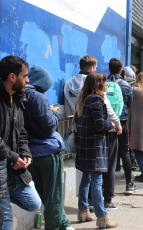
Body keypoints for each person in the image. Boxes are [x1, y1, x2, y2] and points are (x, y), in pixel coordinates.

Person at [23, 65, 74, 230]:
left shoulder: (17, 97)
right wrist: (52, 112)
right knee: (54, 196)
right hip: (48, 153)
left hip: (31, 154)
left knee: (46, 195)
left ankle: (64, 224)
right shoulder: (37, 97)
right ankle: (55, 226)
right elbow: (48, 127)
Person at [0, 56, 41, 229]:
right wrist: (11, 157)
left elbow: (21, 132)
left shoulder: (17, 99)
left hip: (13, 169)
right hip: (3, 165)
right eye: (24, 76)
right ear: (12, 77)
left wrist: (25, 153)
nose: (28, 80)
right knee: (6, 218)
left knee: (34, 203)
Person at [75, 72, 117, 229]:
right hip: (95, 147)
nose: (107, 85)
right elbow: (100, 125)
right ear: (98, 84)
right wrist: (111, 125)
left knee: (85, 179)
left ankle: (83, 211)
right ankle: (102, 217)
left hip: (85, 146)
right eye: (105, 82)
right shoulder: (96, 100)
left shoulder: (84, 100)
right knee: (97, 182)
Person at [108, 58, 138, 193]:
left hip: (107, 124)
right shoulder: (126, 85)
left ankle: (106, 185)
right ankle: (129, 184)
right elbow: (130, 103)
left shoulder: (104, 83)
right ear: (121, 71)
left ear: (109, 69)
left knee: (107, 153)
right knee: (124, 152)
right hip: (122, 122)